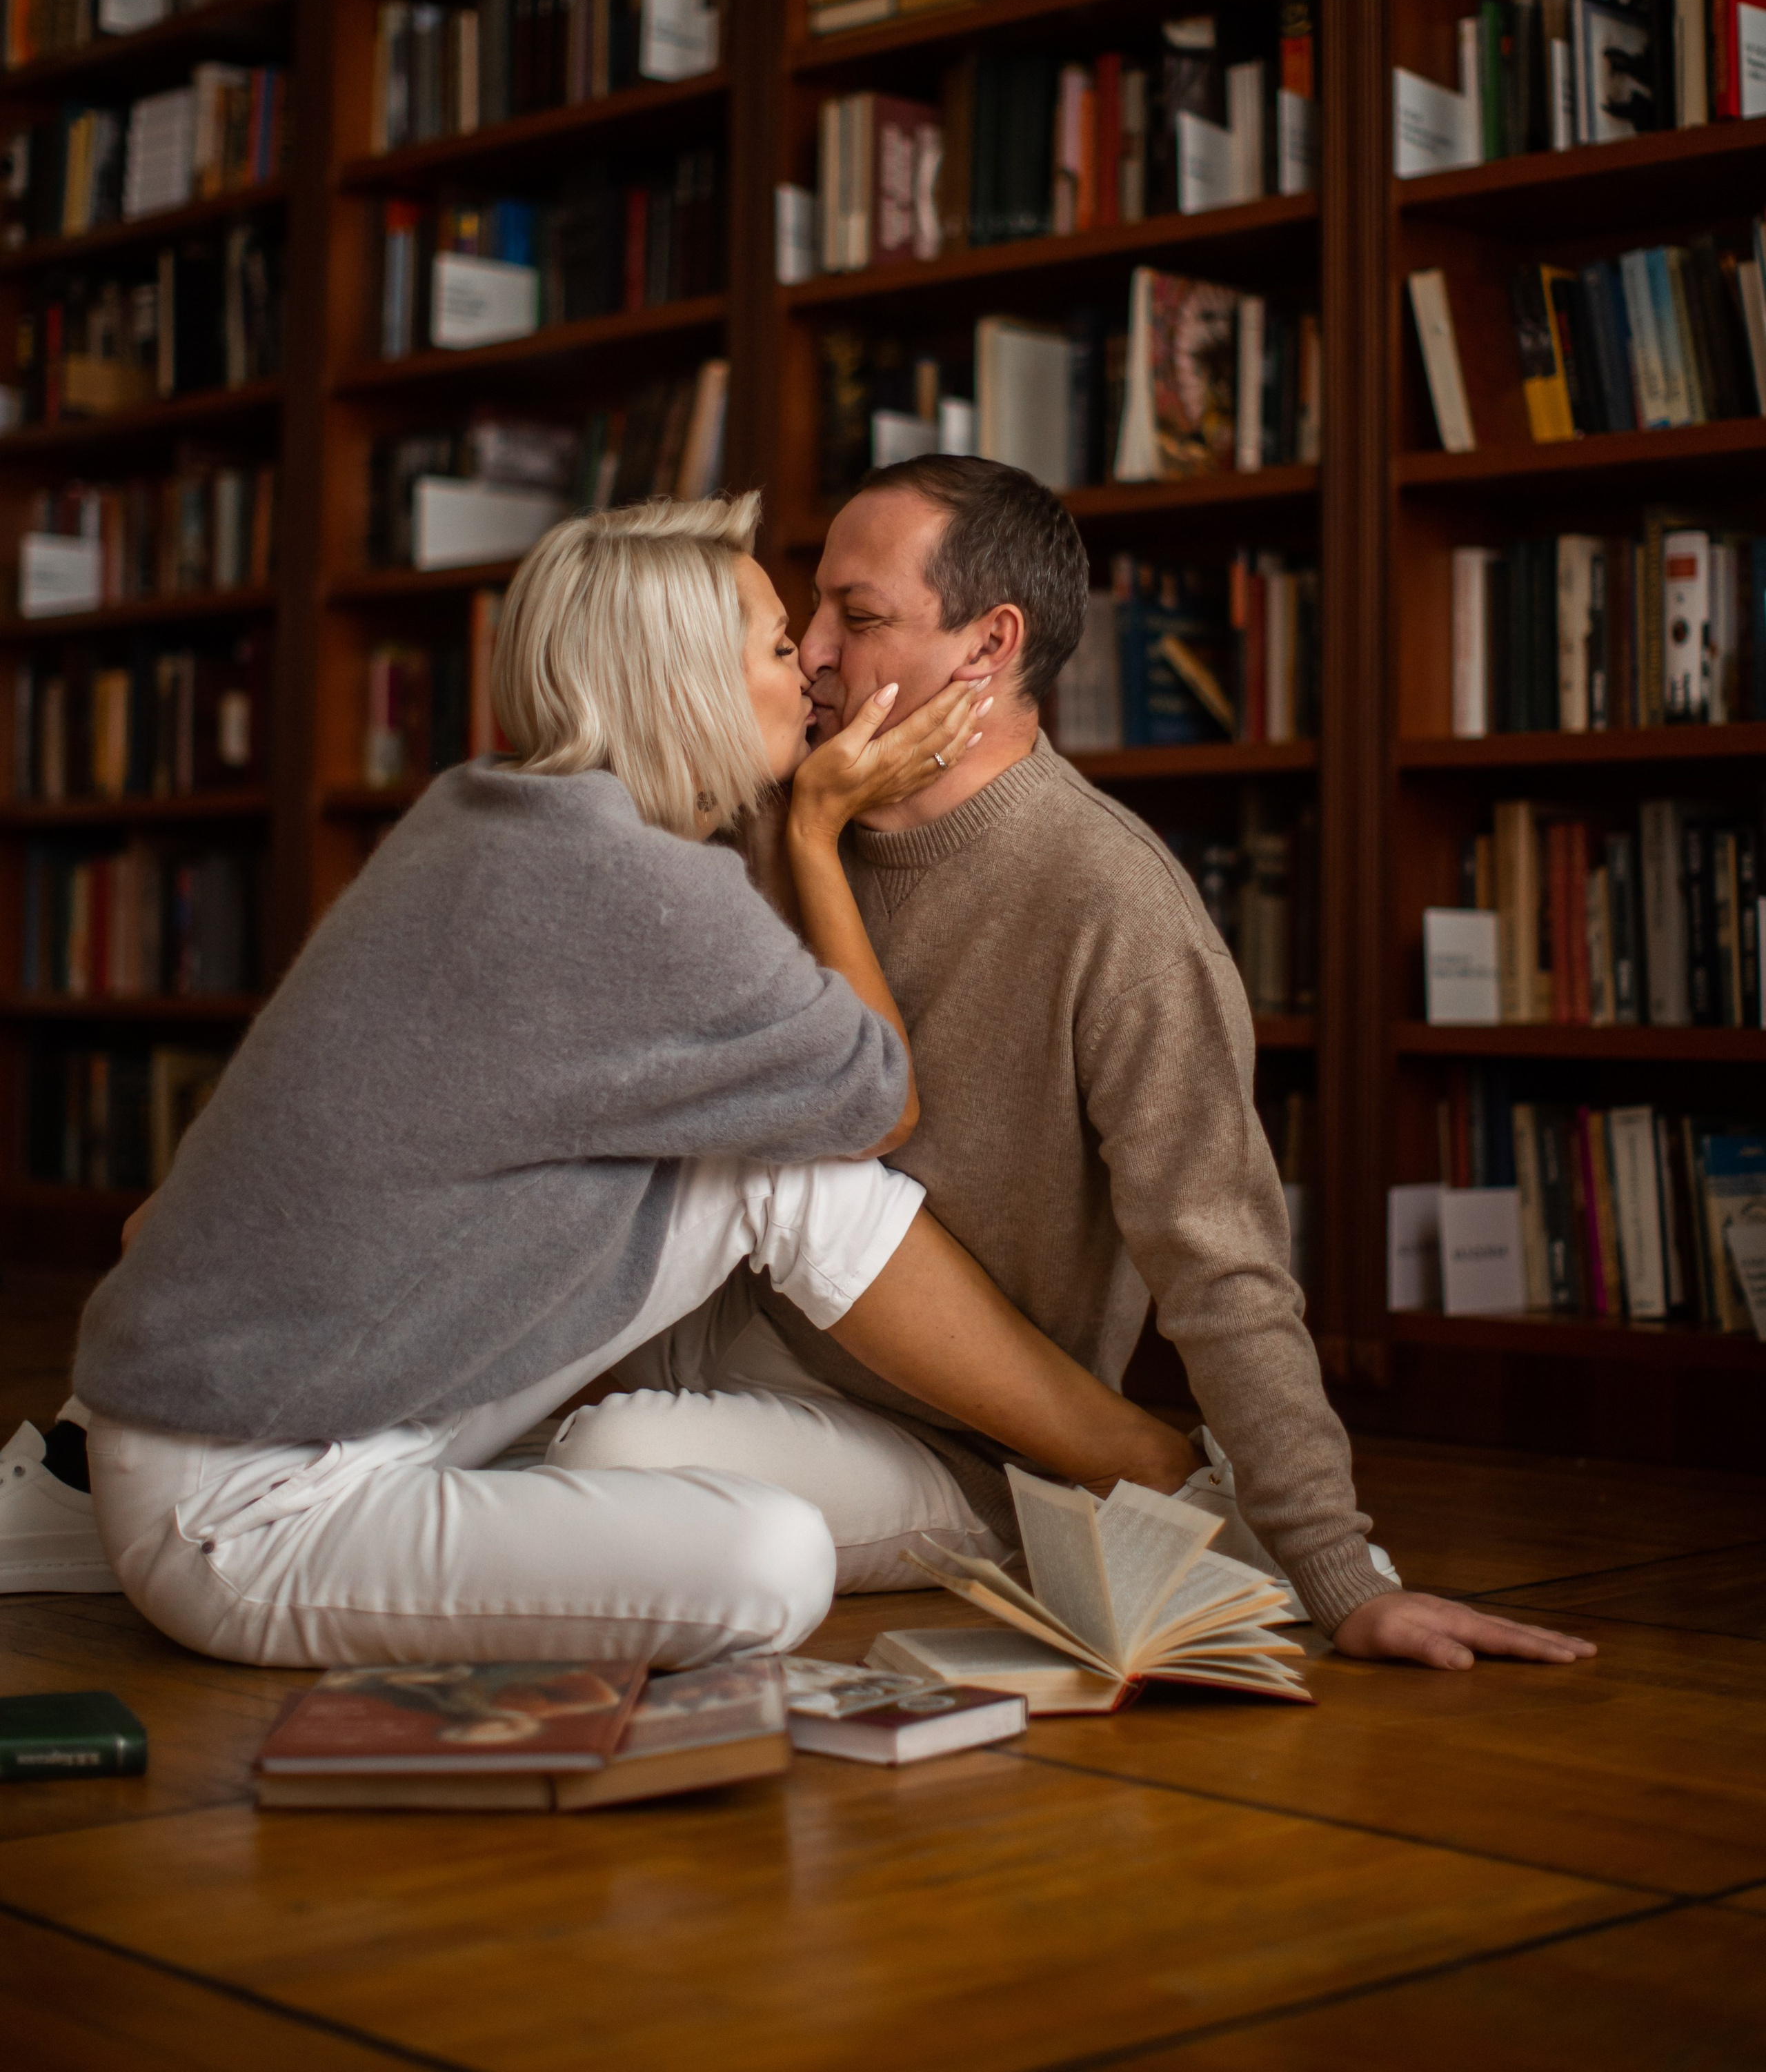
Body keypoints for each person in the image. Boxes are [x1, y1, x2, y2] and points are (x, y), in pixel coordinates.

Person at [49, 493, 1197, 1670]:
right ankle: (1137, 1471)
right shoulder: (634, 891)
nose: (810, 665)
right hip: (255, 1508)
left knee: (774, 1173)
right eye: (776, 645)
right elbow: (875, 1101)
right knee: (774, 1561)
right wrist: (814, 830)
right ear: (689, 684)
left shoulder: (483, 812)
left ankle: (1136, 1463)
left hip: (277, 1404)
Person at [554, 460, 1596, 1677]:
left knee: (604, 1464)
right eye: (812, 611)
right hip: (701, 1321)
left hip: (936, 1440)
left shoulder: (1114, 905)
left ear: (989, 645)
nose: (814, 651)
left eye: (859, 615)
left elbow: (1221, 1260)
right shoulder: (769, 811)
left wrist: (1337, 1569)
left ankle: (1153, 1498)